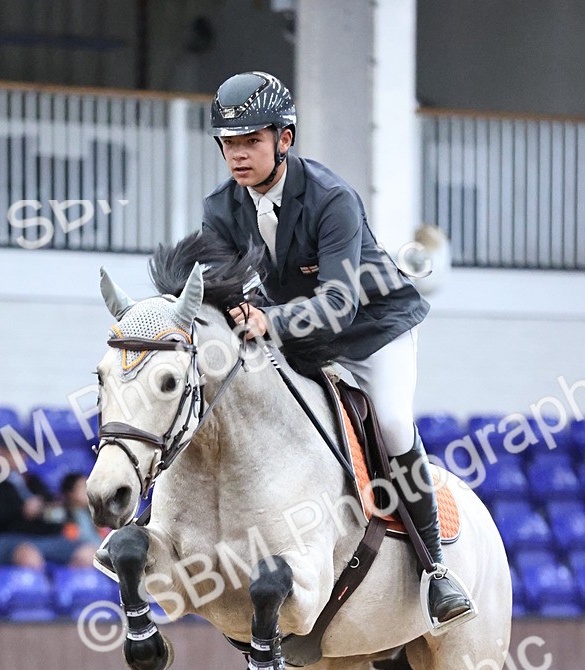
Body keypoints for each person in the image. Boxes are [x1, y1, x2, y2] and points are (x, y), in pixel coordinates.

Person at [201, 70, 473, 630]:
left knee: (394, 423)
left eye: (251, 141)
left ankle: (435, 571)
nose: (238, 155)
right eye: (229, 144)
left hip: (372, 330)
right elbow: (225, 290)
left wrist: (266, 319)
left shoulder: (332, 199)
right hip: (295, 338)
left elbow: (338, 306)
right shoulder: (220, 209)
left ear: (285, 139)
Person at [0, 447, 97, 568]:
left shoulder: (33, 481)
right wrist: (21, 510)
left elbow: (50, 504)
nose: (19, 457)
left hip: (45, 537)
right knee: (29, 557)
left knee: (90, 553)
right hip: (9, 538)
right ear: (0, 452)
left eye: (22, 452)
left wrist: (49, 508)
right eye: (13, 452)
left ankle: (70, 588)